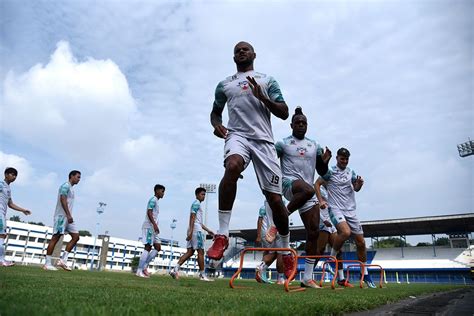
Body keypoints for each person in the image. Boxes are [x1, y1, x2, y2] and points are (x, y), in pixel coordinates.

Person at [208, 41, 295, 277]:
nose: (241, 51)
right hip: (238, 136)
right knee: (232, 166)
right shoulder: (224, 84)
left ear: (254, 54)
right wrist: (217, 125)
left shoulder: (267, 80)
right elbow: (215, 111)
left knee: (276, 201)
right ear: (233, 57)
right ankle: (222, 234)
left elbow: (284, 111)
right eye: (237, 50)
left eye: (245, 49)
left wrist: (263, 98)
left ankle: (285, 250)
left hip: (264, 141)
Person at [273, 106, 331, 288]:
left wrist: (325, 161)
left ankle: (307, 277)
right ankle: (281, 218)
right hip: (290, 185)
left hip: (307, 192)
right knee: (308, 190)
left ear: (307, 125)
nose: (300, 125)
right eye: (297, 122)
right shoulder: (282, 143)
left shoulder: (315, 145)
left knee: (314, 232)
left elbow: (322, 171)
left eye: (303, 122)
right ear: (291, 125)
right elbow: (268, 160)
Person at [315, 148, 376, 288]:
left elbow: (355, 188)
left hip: (351, 211)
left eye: (346, 159)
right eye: (342, 158)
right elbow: (316, 184)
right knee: (345, 232)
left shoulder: (351, 172)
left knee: (361, 243)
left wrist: (359, 185)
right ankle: (332, 255)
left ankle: (365, 274)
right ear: (337, 158)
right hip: (335, 209)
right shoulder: (329, 172)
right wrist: (321, 201)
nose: (344, 161)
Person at [170, 187, 215, 281]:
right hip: (195, 230)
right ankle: (202, 275)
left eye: (204, 195)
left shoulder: (197, 204)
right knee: (201, 252)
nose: (204, 196)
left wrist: (208, 230)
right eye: (202, 194)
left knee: (190, 252)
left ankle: (175, 269)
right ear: (197, 195)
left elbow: (197, 221)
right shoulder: (196, 203)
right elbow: (192, 217)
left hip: (193, 228)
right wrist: (191, 231)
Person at [43, 170, 81, 271]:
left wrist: (69, 216)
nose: (79, 179)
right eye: (78, 177)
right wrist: (68, 215)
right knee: (55, 238)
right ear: (71, 176)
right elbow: (62, 199)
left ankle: (63, 260)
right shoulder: (65, 186)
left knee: (76, 237)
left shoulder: (72, 189)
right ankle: (47, 264)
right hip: (61, 217)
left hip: (68, 217)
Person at [0, 167, 31, 267]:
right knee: (1, 236)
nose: (14, 177)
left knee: (2, 236)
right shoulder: (1, 185)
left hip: (3, 214)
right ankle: (1, 260)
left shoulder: (8, 188)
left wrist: (23, 210)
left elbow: (10, 204)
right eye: (12, 174)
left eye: (15, 175)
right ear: (6, 175)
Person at [136, 184, 165, 278]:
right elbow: (149, 212)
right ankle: (139, 271)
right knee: (148, 247)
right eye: (162, 191)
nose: (163, 193)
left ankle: (144, 267)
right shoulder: (153, 200)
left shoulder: (156, 201)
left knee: (158, 247)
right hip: (149, 226)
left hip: (153, 228)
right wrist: (155, 224)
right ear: (157, 191)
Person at [254, 201, 285, 284]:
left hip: (265, 232)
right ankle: (280, 279)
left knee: (268, 252)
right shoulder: (281, 204)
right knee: (279, 254)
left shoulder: (263, 207)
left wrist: (259, 235)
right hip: (275, 231)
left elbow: (259, 221)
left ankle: (262, 271)